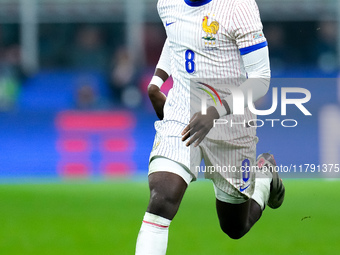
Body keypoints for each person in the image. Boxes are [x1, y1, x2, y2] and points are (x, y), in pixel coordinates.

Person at [135, 0, 285, 254]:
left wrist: (215, 112)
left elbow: (261, 78)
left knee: (235, 226)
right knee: (162, 197)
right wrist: (157, 81)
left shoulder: (239, 7)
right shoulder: (167, 3)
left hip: (231, 120)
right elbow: (176, 36)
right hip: (183, 111)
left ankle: (264, 176)